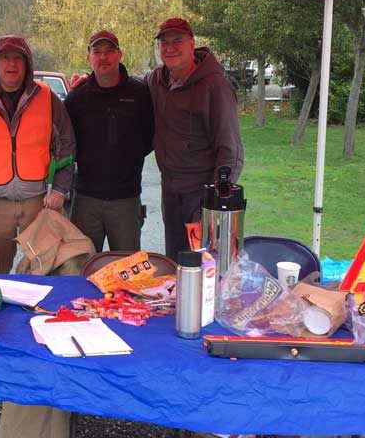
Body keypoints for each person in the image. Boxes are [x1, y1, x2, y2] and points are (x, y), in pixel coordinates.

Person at [0, 35, 75, 274]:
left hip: (38, 200)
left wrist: (59, 189)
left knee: (42, 267)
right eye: (4, 58)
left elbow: (66, 145)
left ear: (27, 64)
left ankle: (36, 311)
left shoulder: (47, 97)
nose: (12, 64)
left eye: (18, 58)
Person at [147, 17, 244, 262]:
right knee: (175, 262)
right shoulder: (157, 80)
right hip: (170, 191)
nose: (170, 48)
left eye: (177, 41)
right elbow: (130, 84)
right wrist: (89, 79)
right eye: (164, 43)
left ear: (192, 44)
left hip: (201, 193)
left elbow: (230, 152)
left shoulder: (215, 86)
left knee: (205, 265)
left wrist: (214, 203)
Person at [64, 30, 154, 252]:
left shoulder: (140, 93)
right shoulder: (77, 97)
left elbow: (150, 137)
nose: (103, 57)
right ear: (89, 58)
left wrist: (127, 157)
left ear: (119, 54)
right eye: (97, 52)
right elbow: (66, 141)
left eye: (109, 51)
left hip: (126, 199)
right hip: (85, 198)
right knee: (81, 267)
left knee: (128, 269)